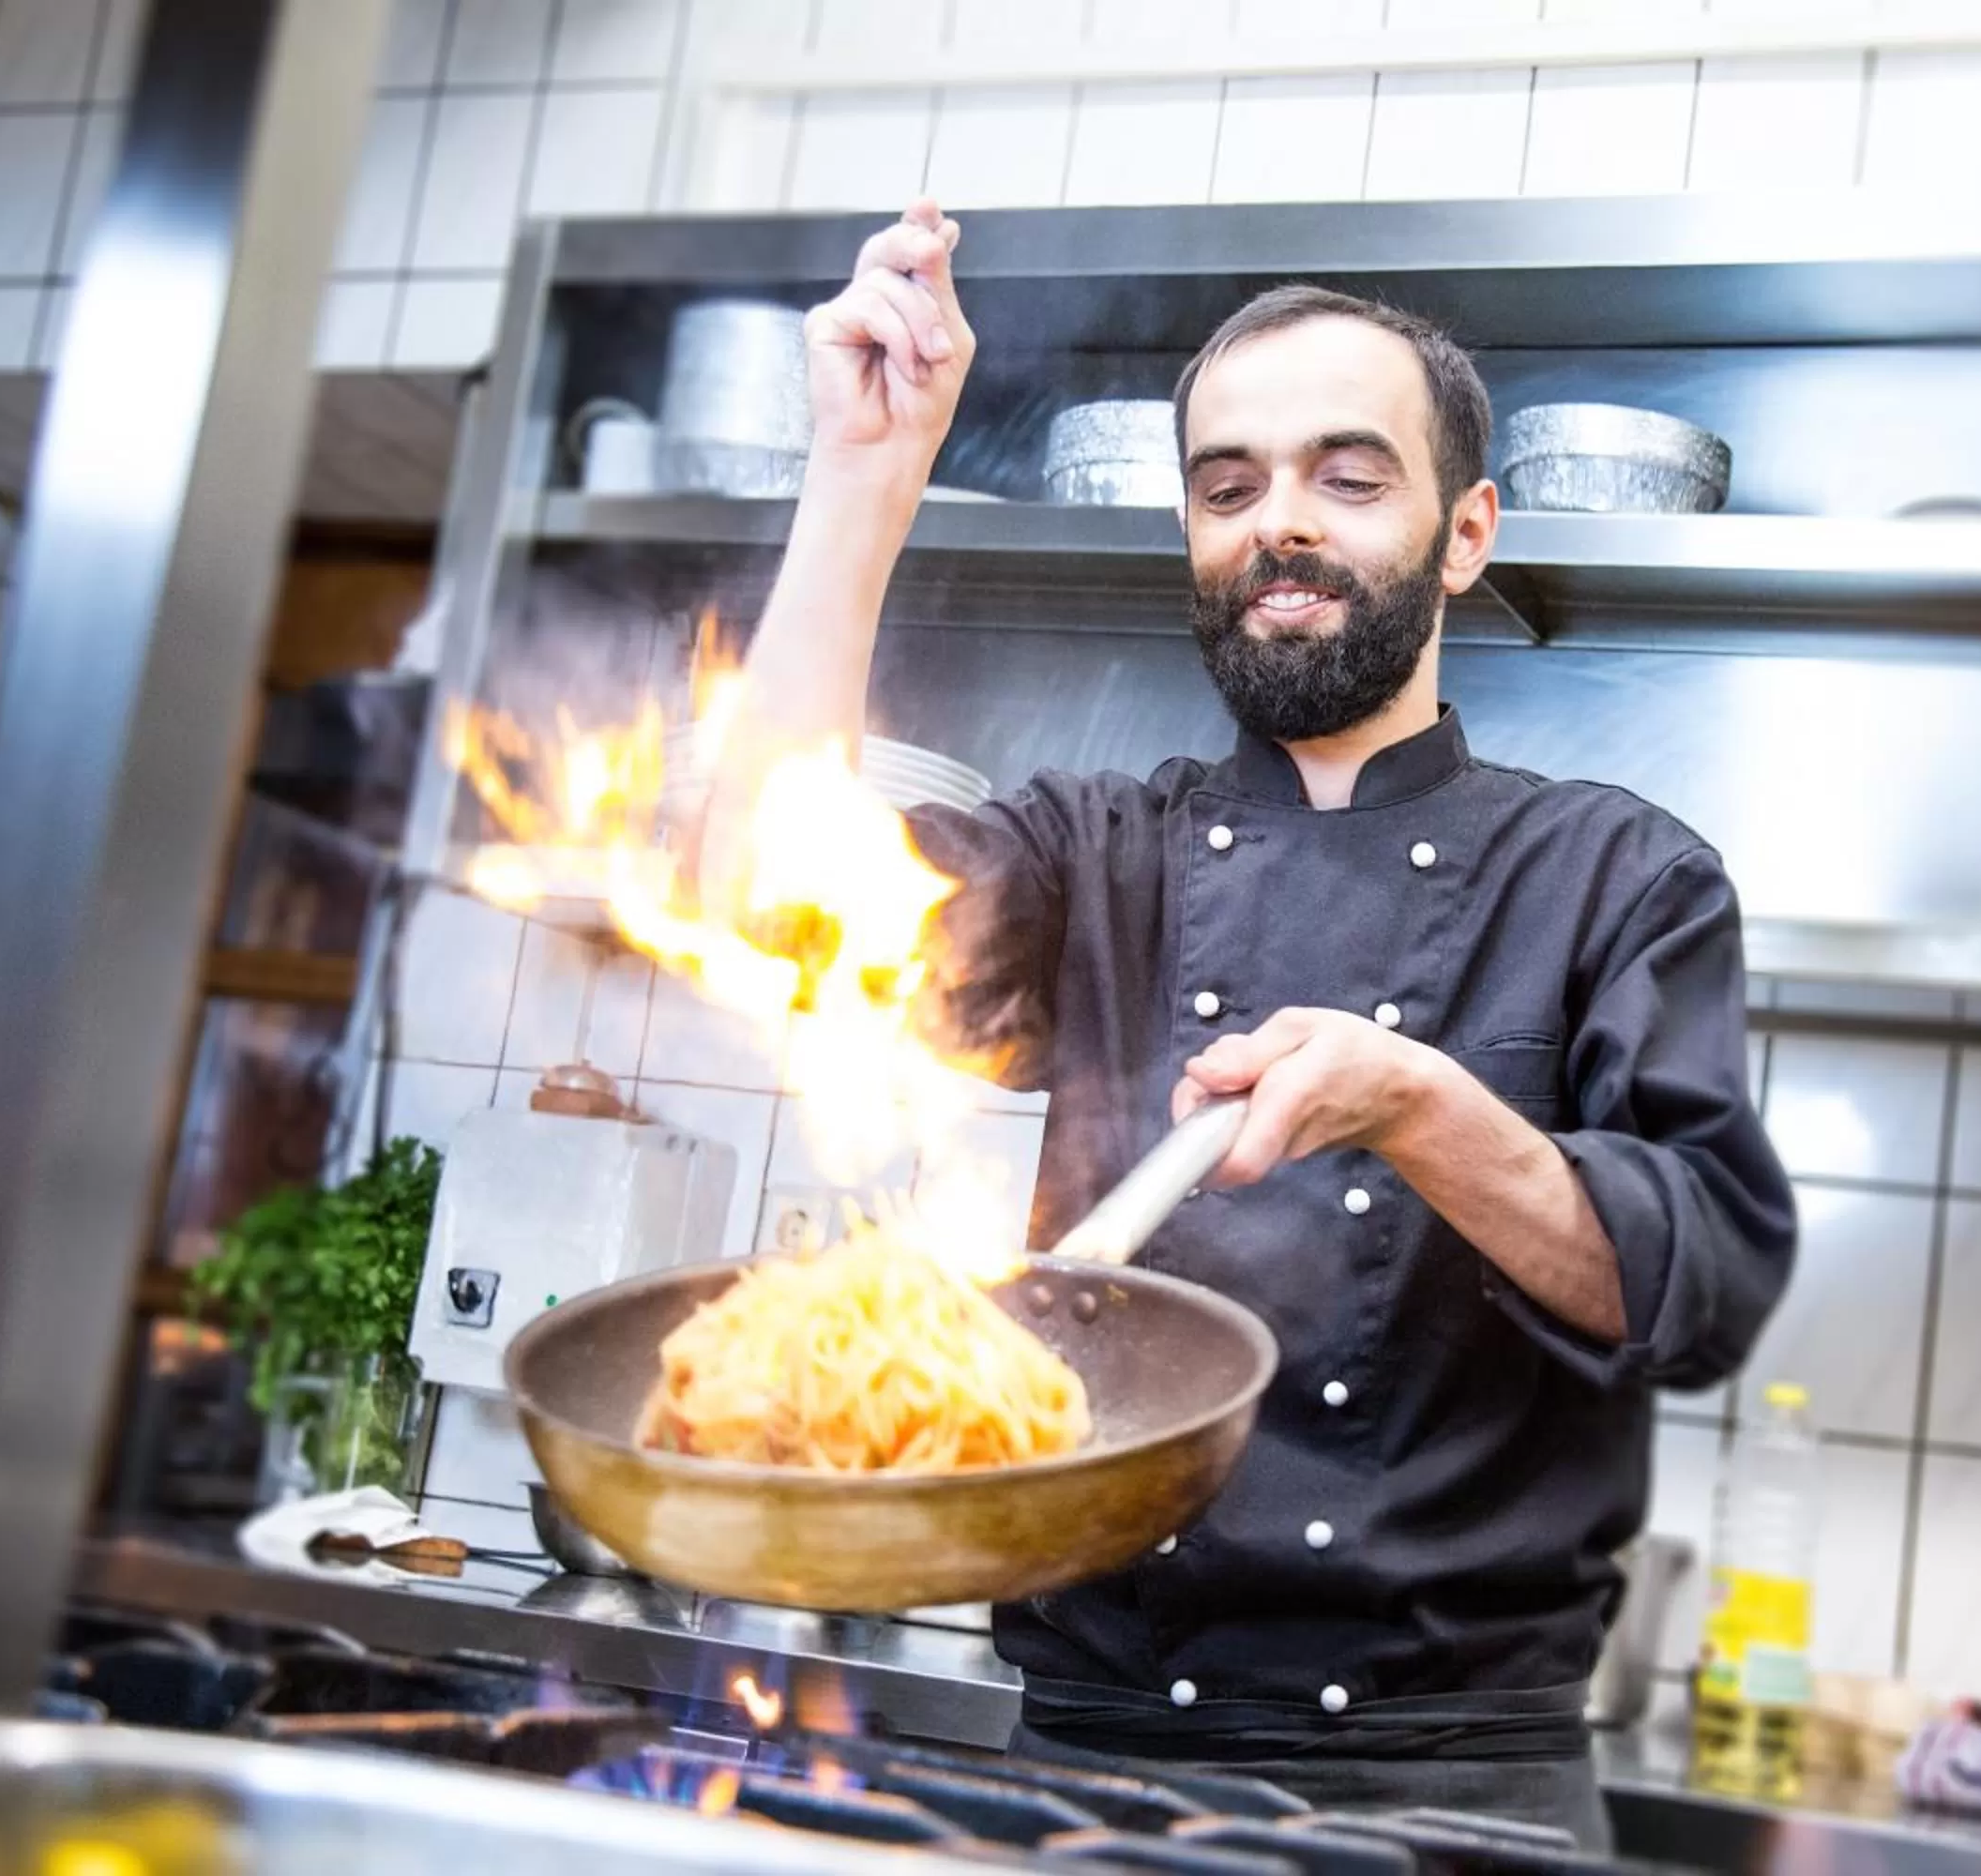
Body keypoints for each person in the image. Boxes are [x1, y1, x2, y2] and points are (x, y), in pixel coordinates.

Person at [724, 198, 1798, 1846]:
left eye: (1347, 477)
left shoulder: (1618, 875)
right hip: (1086, 1769)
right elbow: (771, 904)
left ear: (1466, 534)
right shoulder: (1097, 853)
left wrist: (1423, 1108)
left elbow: (1699, 1291)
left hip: (1450, 1800)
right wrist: (864, 479)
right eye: (1228, 487)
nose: (1277, 522)